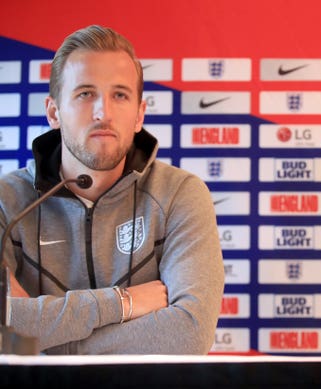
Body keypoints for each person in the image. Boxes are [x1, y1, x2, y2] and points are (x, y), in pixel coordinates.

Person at [0, 25, 225, 354]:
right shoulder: (8, 201)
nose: (103, 113)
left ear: (139, 115)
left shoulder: (179, 194)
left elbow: (189, 334)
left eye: (119, 95)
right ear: (53, 112)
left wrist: (41, 339)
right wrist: (123, 303)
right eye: (85, 93)